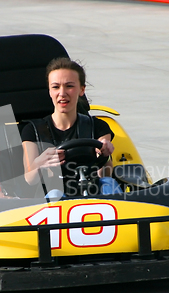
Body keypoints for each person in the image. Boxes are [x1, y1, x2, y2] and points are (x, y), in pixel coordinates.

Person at [21, 57, 122, 196]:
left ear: (81, 90)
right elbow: (29, 179)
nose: (62, 93)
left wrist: (105, 155)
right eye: (56, 87)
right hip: (54, 198)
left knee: (109, 184)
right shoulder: (32, 131)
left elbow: (105, 174)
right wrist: (41, 162)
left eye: (69, 86)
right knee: (55, 194)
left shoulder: (97, 127)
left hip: (92, 193)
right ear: (50, 91)